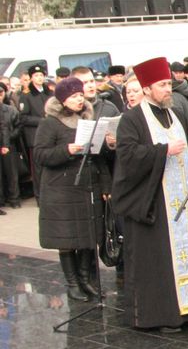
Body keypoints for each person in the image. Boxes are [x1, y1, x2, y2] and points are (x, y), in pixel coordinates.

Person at [112, 57, 188, 332]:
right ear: (146, 88)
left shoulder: (173, 114)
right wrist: (161, 151)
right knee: (159, 263)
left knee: (184, 257)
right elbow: (127, 157)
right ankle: (164, 315)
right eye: (162, 84)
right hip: (153, 204)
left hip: (180, 202)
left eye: (169, 83)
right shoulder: (132, 119)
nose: (168, 89)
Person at [34, 77, 111, 302]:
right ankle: (73, 283)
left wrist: (105, 183)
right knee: (66, 239)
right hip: (61, 189)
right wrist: (66, 150)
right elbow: (40, 155)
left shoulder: (88, 119)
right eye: (75, 96)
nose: (80, 99)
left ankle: (86, 278)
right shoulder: (50, 123)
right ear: (62, 100)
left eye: (80, 95)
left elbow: (99, 159)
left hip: (87, 187)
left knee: (88, 234)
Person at [19, 64, 52, 200]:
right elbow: (23, 117)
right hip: (35, 136)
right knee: (37, 168)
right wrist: (41, 120)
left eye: (41, 75)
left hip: (50, 134)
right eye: (36, 76)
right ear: (31, 78)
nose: (39, 78)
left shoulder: (49, 92)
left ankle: (50, 192)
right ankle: (39, 195)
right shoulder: (26, 95)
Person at [0, 82, 21, 209]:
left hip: (9, 145)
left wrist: (10, 138)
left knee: (12, 173)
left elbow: (18, 126)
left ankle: (14, 199)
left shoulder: (11, 110)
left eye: (1, 93)